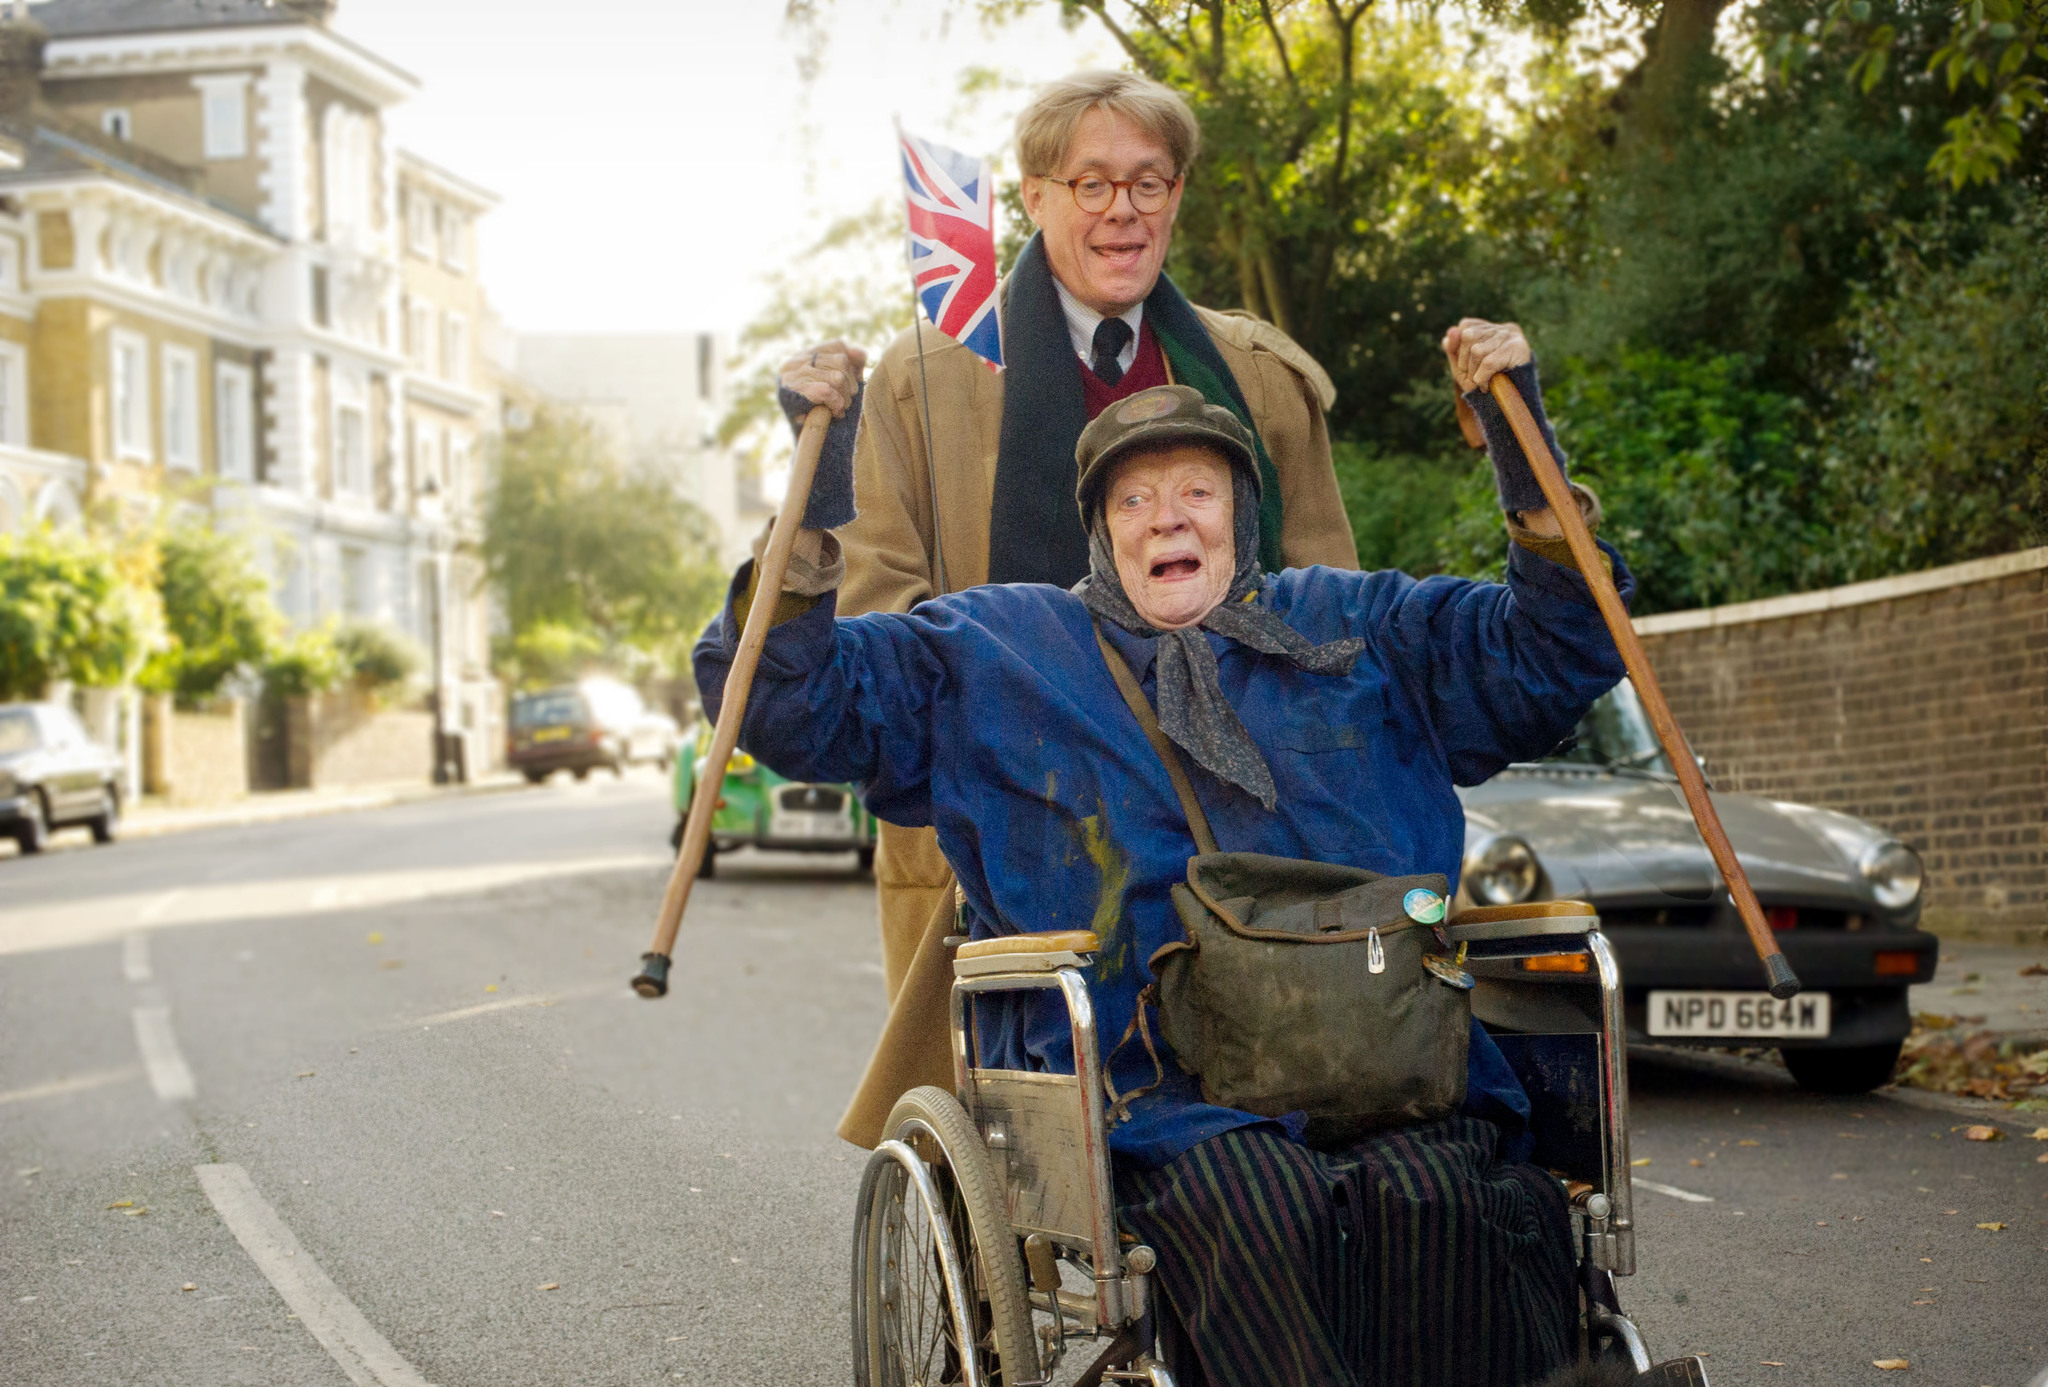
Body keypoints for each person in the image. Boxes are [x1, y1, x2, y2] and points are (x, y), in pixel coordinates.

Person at [703, 320, 1627, 1385]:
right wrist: (814, 496)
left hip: (1386, 1062)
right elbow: (789, 704)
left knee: (1453, 1198)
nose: (1166, 518)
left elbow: (1556, 647)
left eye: (1195, 489)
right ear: (1099, 533)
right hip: (1151, 1095)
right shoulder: (994, 655)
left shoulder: (1355, 628)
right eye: (1133, 500)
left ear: (1241, 509)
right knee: (1257, 1203)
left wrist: (1523, 446)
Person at [778, 71, 1361, 1144]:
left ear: (1178, 194)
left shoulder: (1258, 377)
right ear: (1035, 195)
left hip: (1250, 817)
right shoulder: (922, 381)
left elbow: (1332, 610)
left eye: (1146, 182)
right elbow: (875, 612)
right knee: (1018, 1133)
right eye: (1089, 182)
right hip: (1012, 809)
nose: (1120, 211)